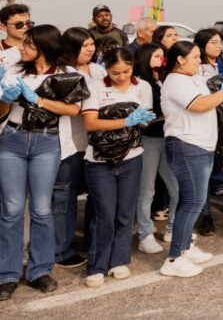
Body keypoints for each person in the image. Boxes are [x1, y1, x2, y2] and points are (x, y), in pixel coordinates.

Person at [0, 25, 84, 298]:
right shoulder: (13, 70)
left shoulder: (68, 74)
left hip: (47, 142)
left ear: (45, 47)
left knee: (41, 208)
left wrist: (38, 100)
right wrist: (4, 99)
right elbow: (1, 110)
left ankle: (39, 271)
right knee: (11, 209)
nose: (22, 48)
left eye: (28, 44)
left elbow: (73, 109)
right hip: (12, 140)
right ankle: (7, 274)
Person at [159, 41, 223, 277]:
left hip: (201, 145)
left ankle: (185, 247)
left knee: (192, 200)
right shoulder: (175, 80)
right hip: (187, 145)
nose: (199, 61)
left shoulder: (192, 78)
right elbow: (199, 105)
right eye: (195, 57)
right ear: (180, 59)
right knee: (193, 202)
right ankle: (174, 258)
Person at [80, 47, 155, 287]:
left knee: (125, 212)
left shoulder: (143, 87)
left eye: (126, 71)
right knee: (104, 213)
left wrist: (144, 120)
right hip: (99, 160)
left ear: (133, 66)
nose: (121, 77)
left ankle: (119, 260)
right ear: (106, 69)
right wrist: (126, 120)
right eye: (115, 73)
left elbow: (146, 118)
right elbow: (91, 123)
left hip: (132, 156)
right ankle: (97, 265)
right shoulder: (95, 87)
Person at [51, 27, 102, 270]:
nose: (90, 49)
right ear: (70, 48)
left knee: (96, 195)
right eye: (84, 45)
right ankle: (60, 249)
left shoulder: (98, 69)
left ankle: (92, 241)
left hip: (96, 143)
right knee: (65, 197)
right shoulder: (62, 72)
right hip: (70, 144)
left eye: (92, 44)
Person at [133, 43, 180, 253]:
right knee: (147, 190)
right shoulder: (141, 82)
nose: (162, 60)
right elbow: (145, 117)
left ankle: (172, 228)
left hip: (167, 138)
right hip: (149, 139)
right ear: (145, 58)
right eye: (156, 56)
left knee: (177, 188)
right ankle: (145, 233)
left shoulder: (164, 78)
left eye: (163, 56)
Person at [193, 28, 223, 236]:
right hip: (204, 125)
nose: (219, 46)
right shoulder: (195, 68)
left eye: (220, 42)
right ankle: (205, 216)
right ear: (202, 46)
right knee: (204, 174)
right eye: (213, 42)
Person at [0, 4, 31, 68]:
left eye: (28, 23)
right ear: (3, 26)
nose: (25, 27)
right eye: (19, 24)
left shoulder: (39, 48)